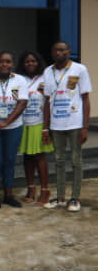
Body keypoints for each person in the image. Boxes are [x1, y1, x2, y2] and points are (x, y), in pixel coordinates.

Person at [41, 41, 92, 212]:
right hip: (56, 124)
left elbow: (85, 98)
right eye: (55, 50)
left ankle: (75, 198)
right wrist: (45, 127)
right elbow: (47, 101)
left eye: (62, 49)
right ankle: (60, 196)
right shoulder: (47, 71)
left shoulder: (79, 69)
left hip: (75, 122)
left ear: (68, 51)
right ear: (52, 52)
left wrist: (85, 126)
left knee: (76, 160)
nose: (59, 52)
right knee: (59, 160)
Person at [0, 51, 28, 209]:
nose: (4, 64)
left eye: (8, 61)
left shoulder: (19, 80)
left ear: (12, 64)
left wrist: (7, 122)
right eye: (1, 61)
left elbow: (21, 103)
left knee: (10, 160)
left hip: (13, 127)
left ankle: (9, 194)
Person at [16, 51, 53, 206]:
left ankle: (45, 190)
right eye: (27, 61)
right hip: (23, 123)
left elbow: (48, 103)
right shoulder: (18, 80)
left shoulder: (44, 79)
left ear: (38, 63)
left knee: (39, 156)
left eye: (33, 61)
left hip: (39, 123)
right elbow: (15, 101)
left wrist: (46, 127)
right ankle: (31, 189)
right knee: (27, 157)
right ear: (22, 64)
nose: (30, 64)